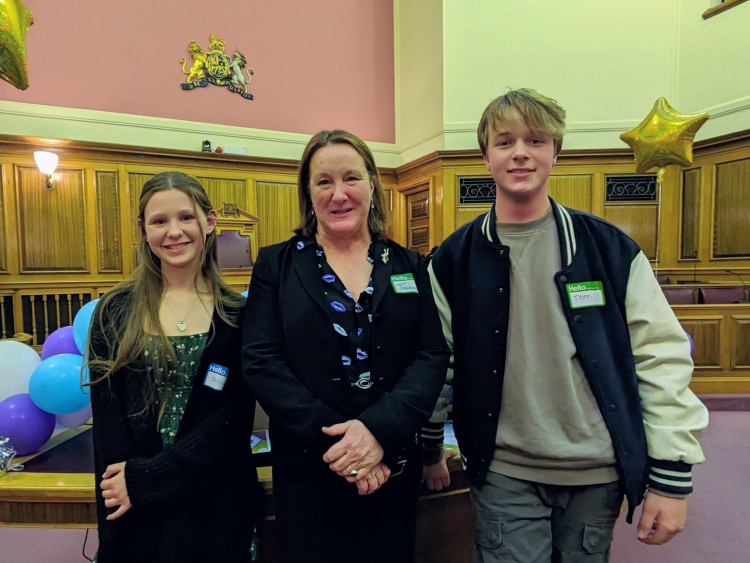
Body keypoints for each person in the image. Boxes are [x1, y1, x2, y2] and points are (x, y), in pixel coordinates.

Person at [422, 88, 709, 562]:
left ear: (556, 152)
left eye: (535, 140)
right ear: (486, 155)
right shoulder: (453, 260)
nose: (519, 152)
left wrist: (671, 477)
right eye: (504, 141)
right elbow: (438, 363)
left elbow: (661, 356)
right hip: (502, 470)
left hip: (596, 472)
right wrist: (431, 446)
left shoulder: (610, 250)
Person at [242, 130, 449, 563]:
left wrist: (375, 433)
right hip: (310, 474)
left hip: (391, 466)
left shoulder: (408, 264)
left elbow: (430, 355)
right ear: (308, 191)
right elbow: (261, 362)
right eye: (324, 182)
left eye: (351, 178)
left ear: (372, 184)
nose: (339, 194)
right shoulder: (275, 265)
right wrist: (346, 447)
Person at [87, 171, 261, 562]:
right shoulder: (114, 311)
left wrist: (156, 478)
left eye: (185, 217)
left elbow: (231, 420)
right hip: (134, 504)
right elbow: (109, 423)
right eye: (159, 221)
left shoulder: (238, 313)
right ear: (143, 230)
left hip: (216, 503)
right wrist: (133, 485)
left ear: (209, 222)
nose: (174, 232)